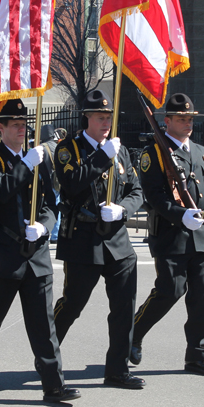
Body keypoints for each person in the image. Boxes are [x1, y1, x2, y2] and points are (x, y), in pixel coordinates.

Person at [0, 99, 81, 403]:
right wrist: (25, 164)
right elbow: (0, 191)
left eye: (24, 125)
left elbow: (52, 203)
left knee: (44, 325)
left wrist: (45, 226)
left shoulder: (38, 160)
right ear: (1, 128)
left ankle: (53, 385)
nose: (22, 130)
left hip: (36, 256)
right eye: (15, 125)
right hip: (6, 255)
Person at [131, 93, 204, 376]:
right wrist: (180, 215)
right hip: (170, 236)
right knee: (170, 291)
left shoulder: (201, 151)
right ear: (167, 122)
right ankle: (133, 332)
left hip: (201, 237)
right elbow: (153, 197)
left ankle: (196, 355)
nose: (188, 123)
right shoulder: (153, 153)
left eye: (190, 119)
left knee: (203, 296)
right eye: (181, 119)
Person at [52, 90, 145, 389]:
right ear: (87, 118)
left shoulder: (122, 150)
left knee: (123, 307)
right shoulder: (68, 149)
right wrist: (102, 157)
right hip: (83, 239)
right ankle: (47, 356)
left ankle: (117, 370)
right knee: (73, 304)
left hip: (117, 240)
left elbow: (136, 191)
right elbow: (73, 184)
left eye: (109, 118)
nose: (106, 123)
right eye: (101, 117)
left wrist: (122, 209)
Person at [40, 124, 61, 243]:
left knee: (50, 206)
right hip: (58, 180)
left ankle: (53, 233)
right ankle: (56, 233)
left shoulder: (42, 148)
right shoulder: (58, 146)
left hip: (47, 181)